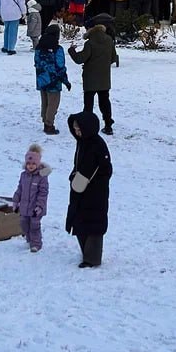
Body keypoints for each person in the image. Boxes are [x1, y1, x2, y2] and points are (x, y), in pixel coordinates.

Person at [65, 111, 112, 268]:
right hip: (82, 192)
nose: (77, 132)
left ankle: (92, 258)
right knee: (81, 220)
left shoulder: (96, 145)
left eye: (79, 129)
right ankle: (86, 253)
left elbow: (97, 169)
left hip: (95, 193)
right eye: (75, 129)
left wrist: (77, 182)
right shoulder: (83, 142)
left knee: (94, 224)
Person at [69, 21, 119, 135]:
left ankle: (87, 126)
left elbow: (80, 59)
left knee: (88, 104)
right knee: (105, 102)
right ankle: (108, 125)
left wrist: (71, 51)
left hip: (90, 78)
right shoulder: (109, 40)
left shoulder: (90, 43)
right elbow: (113, 58)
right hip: (104, 77)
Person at [12, 144, 52, 253]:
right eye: (29, 163)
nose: (31, 166)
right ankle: (29, 240)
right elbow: (20, 189)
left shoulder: (41, 177)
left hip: (36, 208)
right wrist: (15, 201)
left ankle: (36, 244)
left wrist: (40, 206)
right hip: (24, 207)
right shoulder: (23, 175)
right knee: (24, 224)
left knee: (34, 225)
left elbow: (43, 193)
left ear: (38, 164)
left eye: (33, 164)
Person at [35, 24, 70, 134]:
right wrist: (65, 81)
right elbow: (60, 66)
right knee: (53, 104)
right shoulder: (57, 48)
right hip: (54, 81)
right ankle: (49, 125)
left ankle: (45, 120)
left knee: (45, 102)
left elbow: (37, 63)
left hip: (42, 79)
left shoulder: (39, 47)